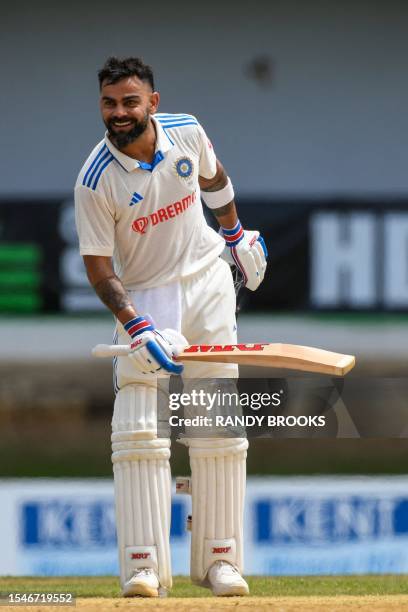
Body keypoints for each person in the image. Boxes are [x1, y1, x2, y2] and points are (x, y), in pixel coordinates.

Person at [74, 56, 267, 598]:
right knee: (139, 430)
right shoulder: (95, 180)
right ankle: (145, 567)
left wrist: (235, 236)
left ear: (152, 103)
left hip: (207, 278)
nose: (118, 112)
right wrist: (137, 327)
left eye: (129, 101)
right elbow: (98, 267)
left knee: (218, 423)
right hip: (146, 296)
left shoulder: (187, 130)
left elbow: (216, 179)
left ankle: (219, 562)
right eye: (109, 103)